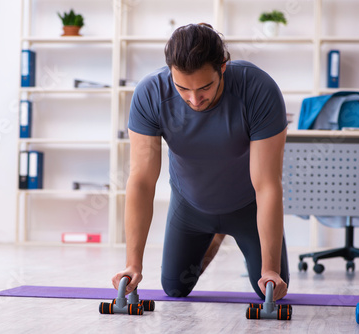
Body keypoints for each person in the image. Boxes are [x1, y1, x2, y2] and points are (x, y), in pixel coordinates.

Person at [112, 23, 289, 301]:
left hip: (248, 207)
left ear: (223, 68)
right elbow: (142, 181)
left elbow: (267, 184)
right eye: (183, 88)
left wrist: (270, 268)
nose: (194, 99)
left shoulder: (258, 89)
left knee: (269, 291)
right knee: (175, 288)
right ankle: (213, 233)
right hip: (190, 207)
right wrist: (133, 264)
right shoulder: (150, 94)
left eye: (205, 87)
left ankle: (229, 234)